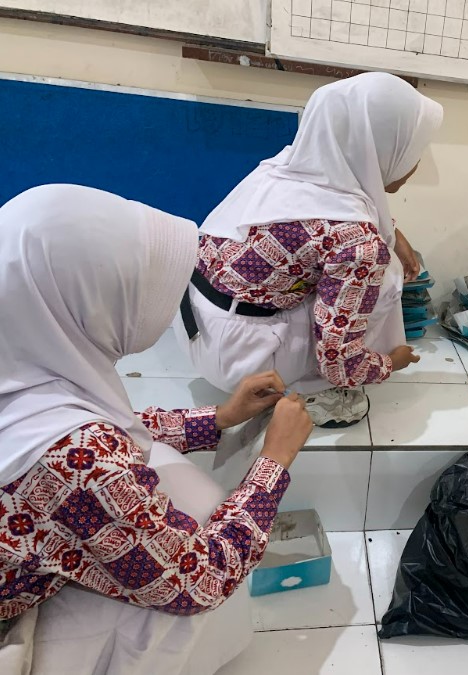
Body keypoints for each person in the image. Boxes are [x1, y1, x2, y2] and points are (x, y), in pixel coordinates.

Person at [0, 184, 313, 674]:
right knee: (191, 551)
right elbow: (199, 579)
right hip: (14, 608)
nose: (164, 308)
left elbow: (112, 434)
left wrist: (219, 418)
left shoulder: (23, 357)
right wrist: (274, 461)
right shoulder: (79, 460)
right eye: (136, 290)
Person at [174, 72, 444, 428]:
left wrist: (395, 233)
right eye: (413, 148)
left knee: (354, 270)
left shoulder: (282, 168)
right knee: (385, 275)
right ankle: (317, 393)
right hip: (243, 365)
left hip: (193, 326)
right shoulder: (358, 243)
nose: (416, 163)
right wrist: (393, 362)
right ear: (377, 146)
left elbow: (327, 220)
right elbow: (338, 362)